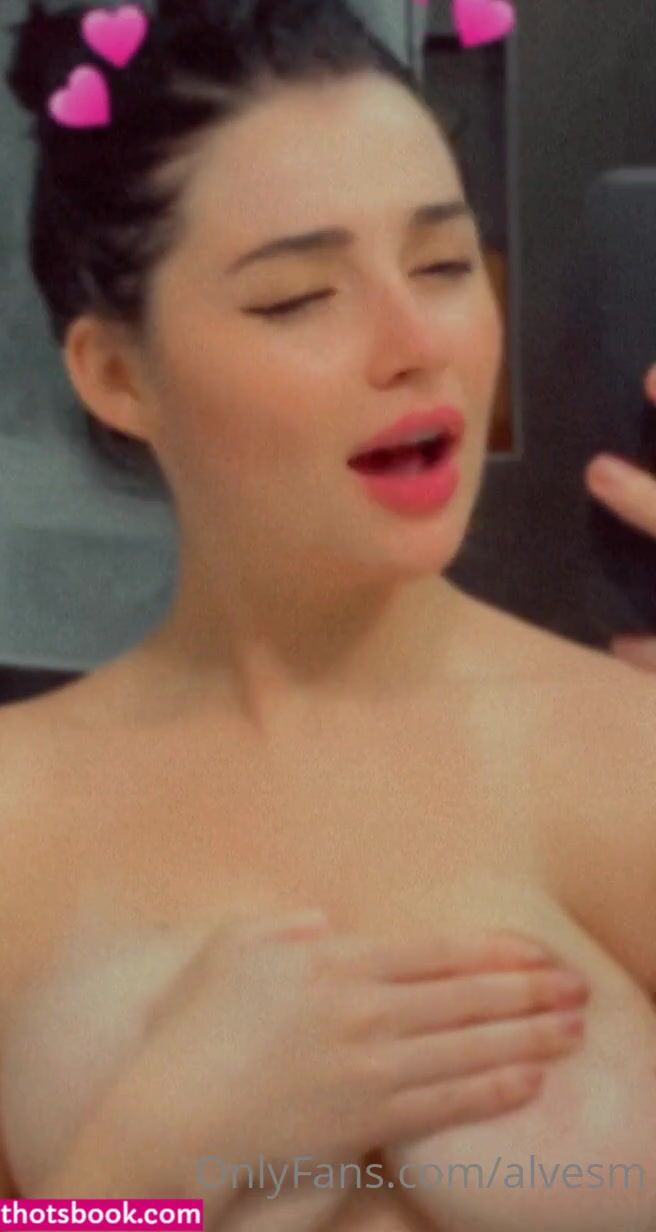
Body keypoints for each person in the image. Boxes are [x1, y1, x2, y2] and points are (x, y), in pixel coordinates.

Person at [2, 2, 656, 1229]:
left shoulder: (630, 754)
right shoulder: (15, 818)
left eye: (444, 265)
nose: (416, 345)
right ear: (117, 375)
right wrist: (148, 1163)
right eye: (298, 295)